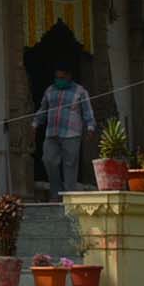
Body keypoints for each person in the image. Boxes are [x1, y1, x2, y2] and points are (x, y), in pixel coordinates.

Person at [37, 64, 95, 196]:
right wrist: (35, 124)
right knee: (48, 160)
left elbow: (87, 111)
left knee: (70, 165)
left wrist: (90, 127)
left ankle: (69, 196)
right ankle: (55, 192)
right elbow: (43, 109)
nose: (59, 80)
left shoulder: (80, 91)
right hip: (52, 133)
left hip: (71, 134)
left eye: (62, 77)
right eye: (57, 77)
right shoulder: (50, 90)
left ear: (69, 76)